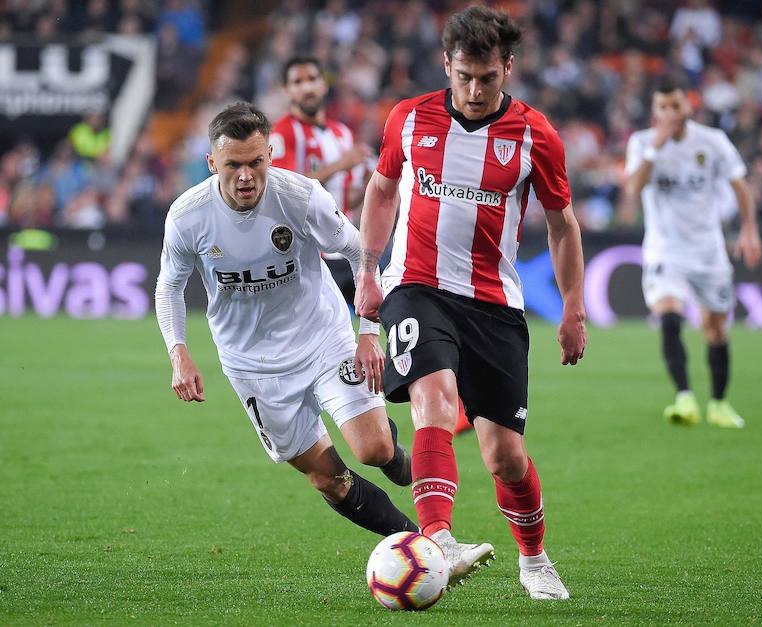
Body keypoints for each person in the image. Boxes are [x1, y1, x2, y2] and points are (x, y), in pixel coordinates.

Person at [354, 7, 587, 600]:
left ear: (507, 68)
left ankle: (534, 559)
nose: (475, 90)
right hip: (417, 286)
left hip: (494, 304)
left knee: (505, 455)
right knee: (434, 399)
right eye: (464, 77)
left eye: (488, 77)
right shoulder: (409, 119)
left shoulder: (537, 135)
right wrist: (367, 271)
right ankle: (438, 540)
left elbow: (563, 228)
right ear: (446, 66)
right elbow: (381, 192)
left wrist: (573, 309)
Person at [155, 101, 417, 540]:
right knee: (327, 479)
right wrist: (178, 352)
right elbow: (169, 286)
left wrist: (368, 332)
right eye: (232, 165)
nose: (245, 176)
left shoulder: (300, 197)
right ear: (211, 162)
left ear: (270, 155)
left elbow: (358, 252)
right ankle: (423, 548)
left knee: (372, 450)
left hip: (323, 339)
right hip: (252, 366)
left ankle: (390, 452)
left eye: (255, 163)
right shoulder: (187, 217)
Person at [624, 78, 762, 429]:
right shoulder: (642, 143)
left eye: (676, 105)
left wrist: (749, 229)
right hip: (665, 250)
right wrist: (656, 146)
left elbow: (740, 185)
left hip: (708, 251)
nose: (671, 112)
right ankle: (684, 398)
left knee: (715, 329)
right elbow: (632, 190)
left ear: (689, 105)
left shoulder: (712, 142)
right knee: (669, 316)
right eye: (663, 107)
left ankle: (718, 403)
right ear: (655, 112)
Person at [270, 56, 372, 218]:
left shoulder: (343, 133)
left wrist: (369, 185)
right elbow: (286, 191)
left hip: (342, 235)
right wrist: (340, 165)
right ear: (286, 91)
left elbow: (343, 199)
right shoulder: (282, 132)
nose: (307, 88)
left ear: (324, 85)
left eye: (312, 79)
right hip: (305, 238)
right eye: (298, 82)